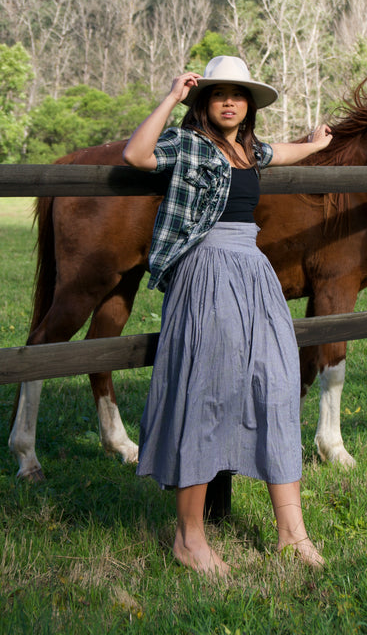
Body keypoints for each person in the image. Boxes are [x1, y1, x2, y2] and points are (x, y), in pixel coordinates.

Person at [123, 55, 332, 576]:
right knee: (207, 390)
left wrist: (316, 143)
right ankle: (188, 539)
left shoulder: (247, 149)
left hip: (252, 269)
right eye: (219, 94)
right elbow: (136, 155)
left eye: (238, 95)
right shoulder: (189, 142)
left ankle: (292, 533)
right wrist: (171, 95)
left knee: (279, 384)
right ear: (204, 101)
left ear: (248, 105)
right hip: (206, 270)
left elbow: (278, 153)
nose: (230, 102)